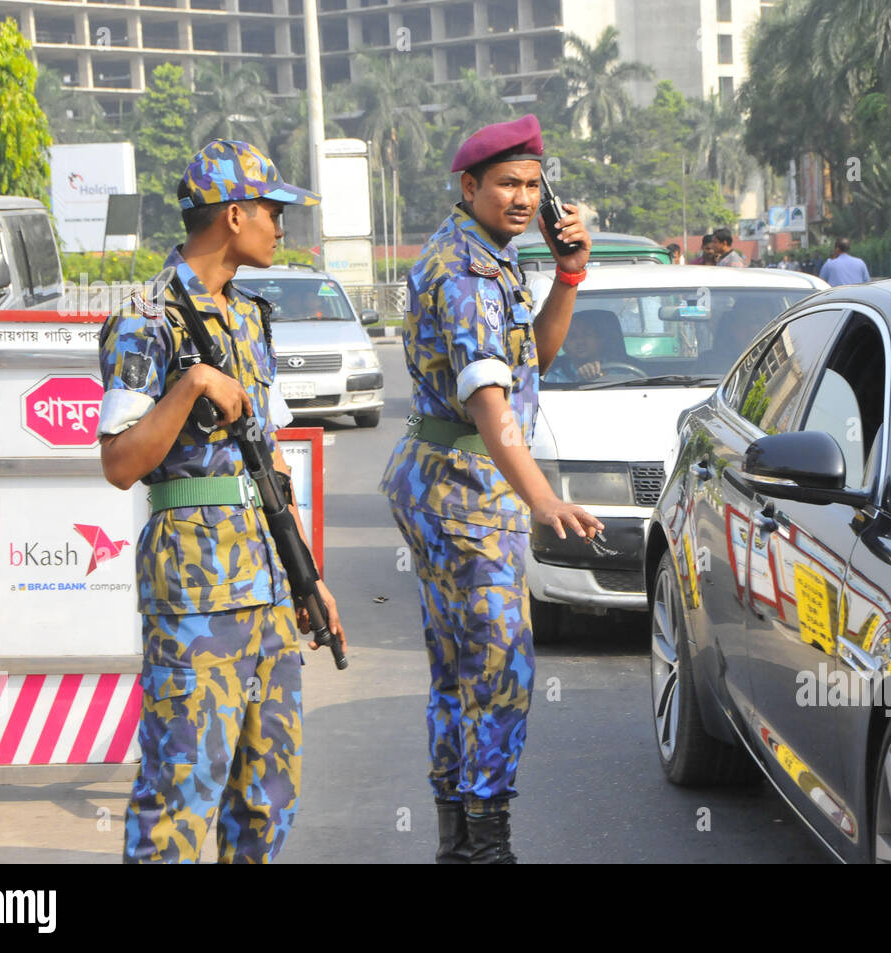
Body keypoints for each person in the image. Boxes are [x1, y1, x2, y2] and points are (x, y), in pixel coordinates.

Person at [96, 139, 344, 863]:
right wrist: (192, 384)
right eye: (272, 211)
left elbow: (267, 465)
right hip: (197, 598)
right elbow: (119, 461)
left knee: (268, 800)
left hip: (266, 590)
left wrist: (308, 579)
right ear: (234, 215)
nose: (281, 226)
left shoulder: (250, 316)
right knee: (179, 801)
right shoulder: (149, 318)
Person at [378, 114, 602, 864]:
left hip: (451, 480)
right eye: (507, 183)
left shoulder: (491, 257)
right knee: (501, 666)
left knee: (457, 670)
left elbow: (532, 354)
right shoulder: (466, 271)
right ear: (468, 186)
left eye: (533, 186)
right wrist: (543, 498)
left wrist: (568, 274)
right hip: (468, 487)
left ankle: (459, 837)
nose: (522, 198)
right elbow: (487, 401)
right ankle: (486, 843)